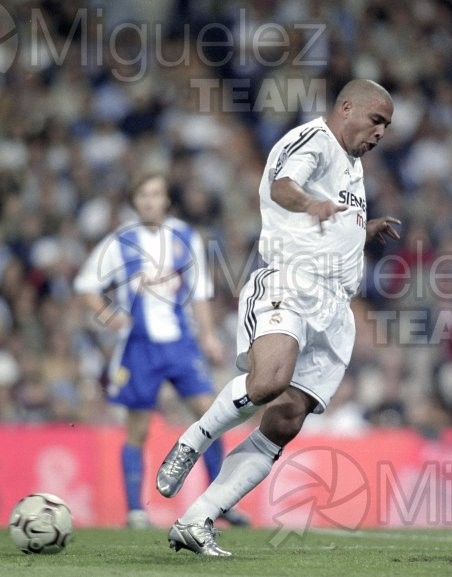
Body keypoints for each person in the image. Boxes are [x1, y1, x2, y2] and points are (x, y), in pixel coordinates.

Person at [153, 79, 400, 556]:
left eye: (386, 126)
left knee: (286, 419)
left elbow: (333, 225)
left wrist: (363, 230)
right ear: (346, 107)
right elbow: (282, 185)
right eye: (376, 120)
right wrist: (309, 202)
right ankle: (191, 441)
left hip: (335, 307)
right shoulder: (314, 140)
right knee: (268, 381)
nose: (381, 133)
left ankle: (197, 519)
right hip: (291, 282)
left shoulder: (352, 164)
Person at [74, 172, 248, 529]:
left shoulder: (185, 237)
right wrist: (111, 316)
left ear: (167, 200)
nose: (150, 201)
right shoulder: (120, 241)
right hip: (139, 347)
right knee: (137, 427)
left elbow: (199, 292)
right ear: (134, 202)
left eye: (156, 194)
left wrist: (209, 337)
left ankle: (221, 502)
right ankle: (136, 510)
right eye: (143, 195)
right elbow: (86, 285)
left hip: (181, 345)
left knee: (211, 417)